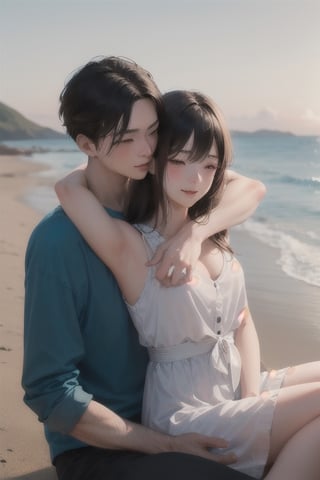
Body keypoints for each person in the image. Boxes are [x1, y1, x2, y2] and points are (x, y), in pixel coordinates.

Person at [55, 88, 320, 480]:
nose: (195, 179)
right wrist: (122, 160)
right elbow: (68, 188)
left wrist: (252, 400)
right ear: (155, 160)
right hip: (184, 413)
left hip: (237, 386)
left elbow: (242, 321)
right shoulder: (132, 246)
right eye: (178, 161)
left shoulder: (211, 232)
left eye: (209, 166)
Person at [22, 56, 266, 480]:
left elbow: (246, 186)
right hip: (104, 449)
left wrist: (193, 234)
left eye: (153, 132)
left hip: (191, 406)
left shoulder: (162, 196)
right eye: (126, 138)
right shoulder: (58, 243)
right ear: (87, 145)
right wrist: (165, 445)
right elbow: (49, 392)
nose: (147, 150)